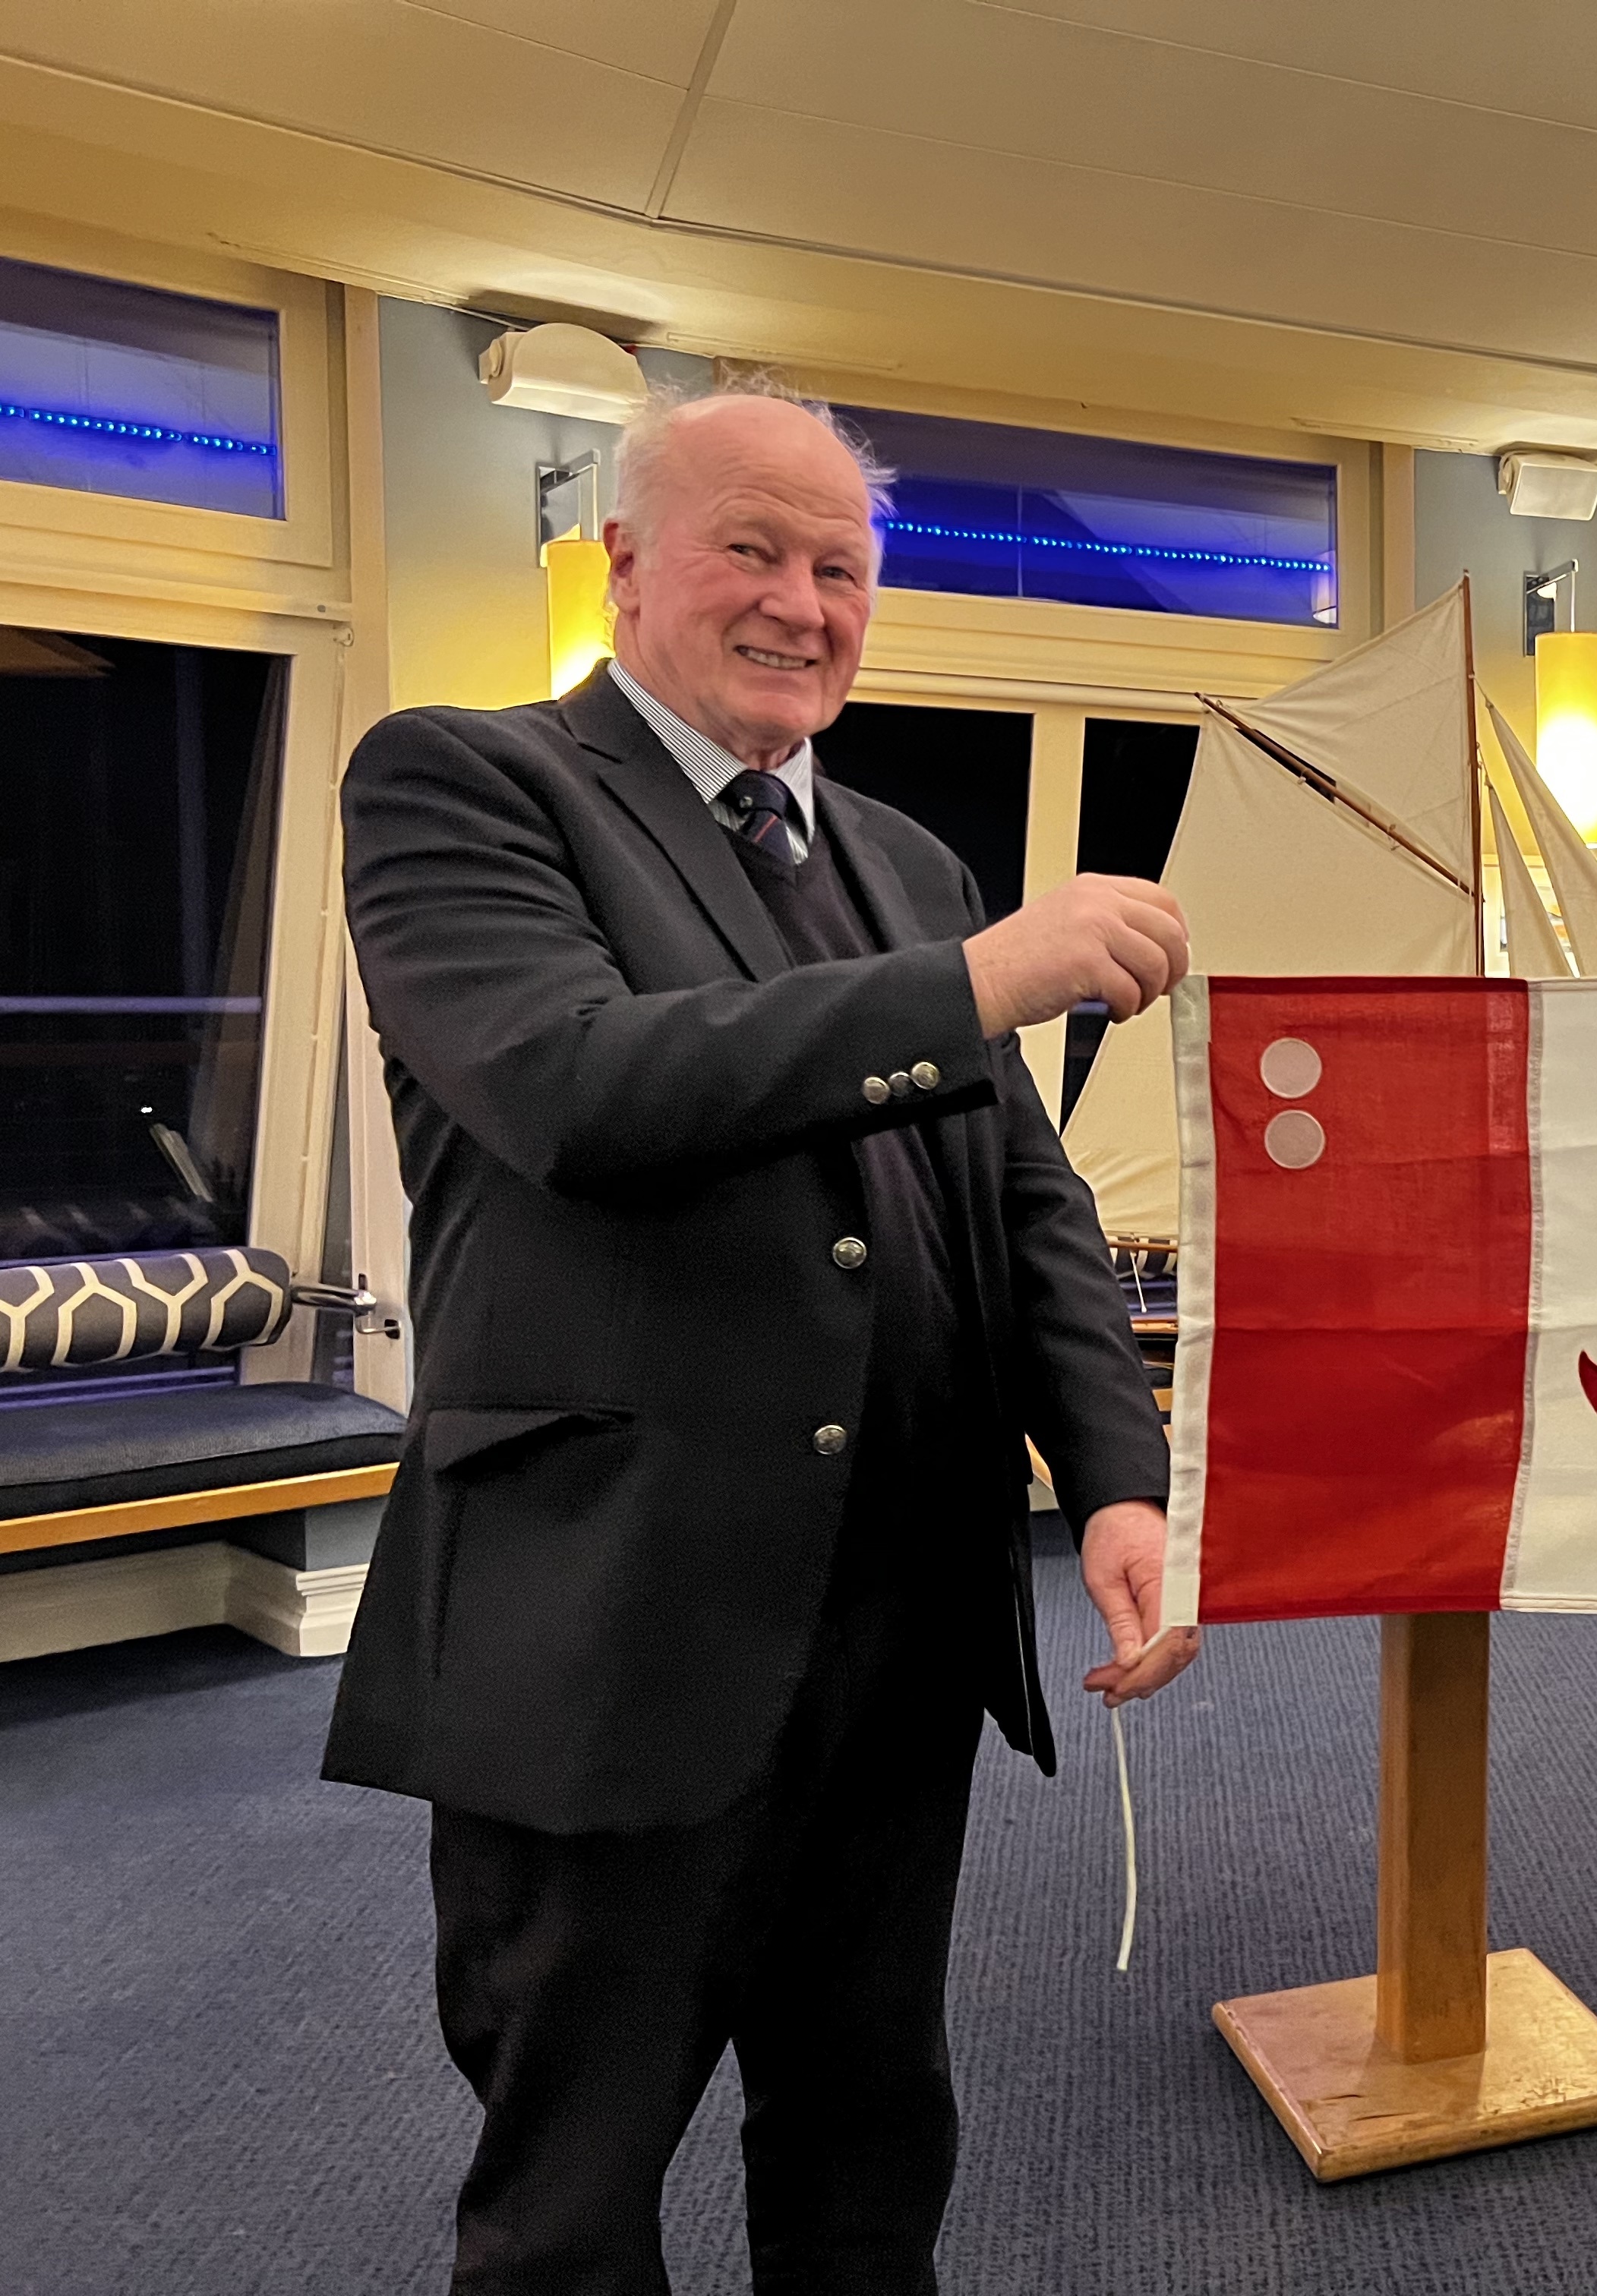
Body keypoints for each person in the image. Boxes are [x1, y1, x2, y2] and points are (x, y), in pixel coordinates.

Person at [325, 376, 1200, 2294]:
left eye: (842, 569)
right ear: (625, 565)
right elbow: (577, 1088)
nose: (804, 604)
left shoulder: (904, 862)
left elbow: (1023, 1200)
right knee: (572, 2187)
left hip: (900, 1621)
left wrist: (1121, 1476)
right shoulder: (460, 782)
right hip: (616, 1615)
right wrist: (979, 978)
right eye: (754, 550)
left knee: (871, 2133)